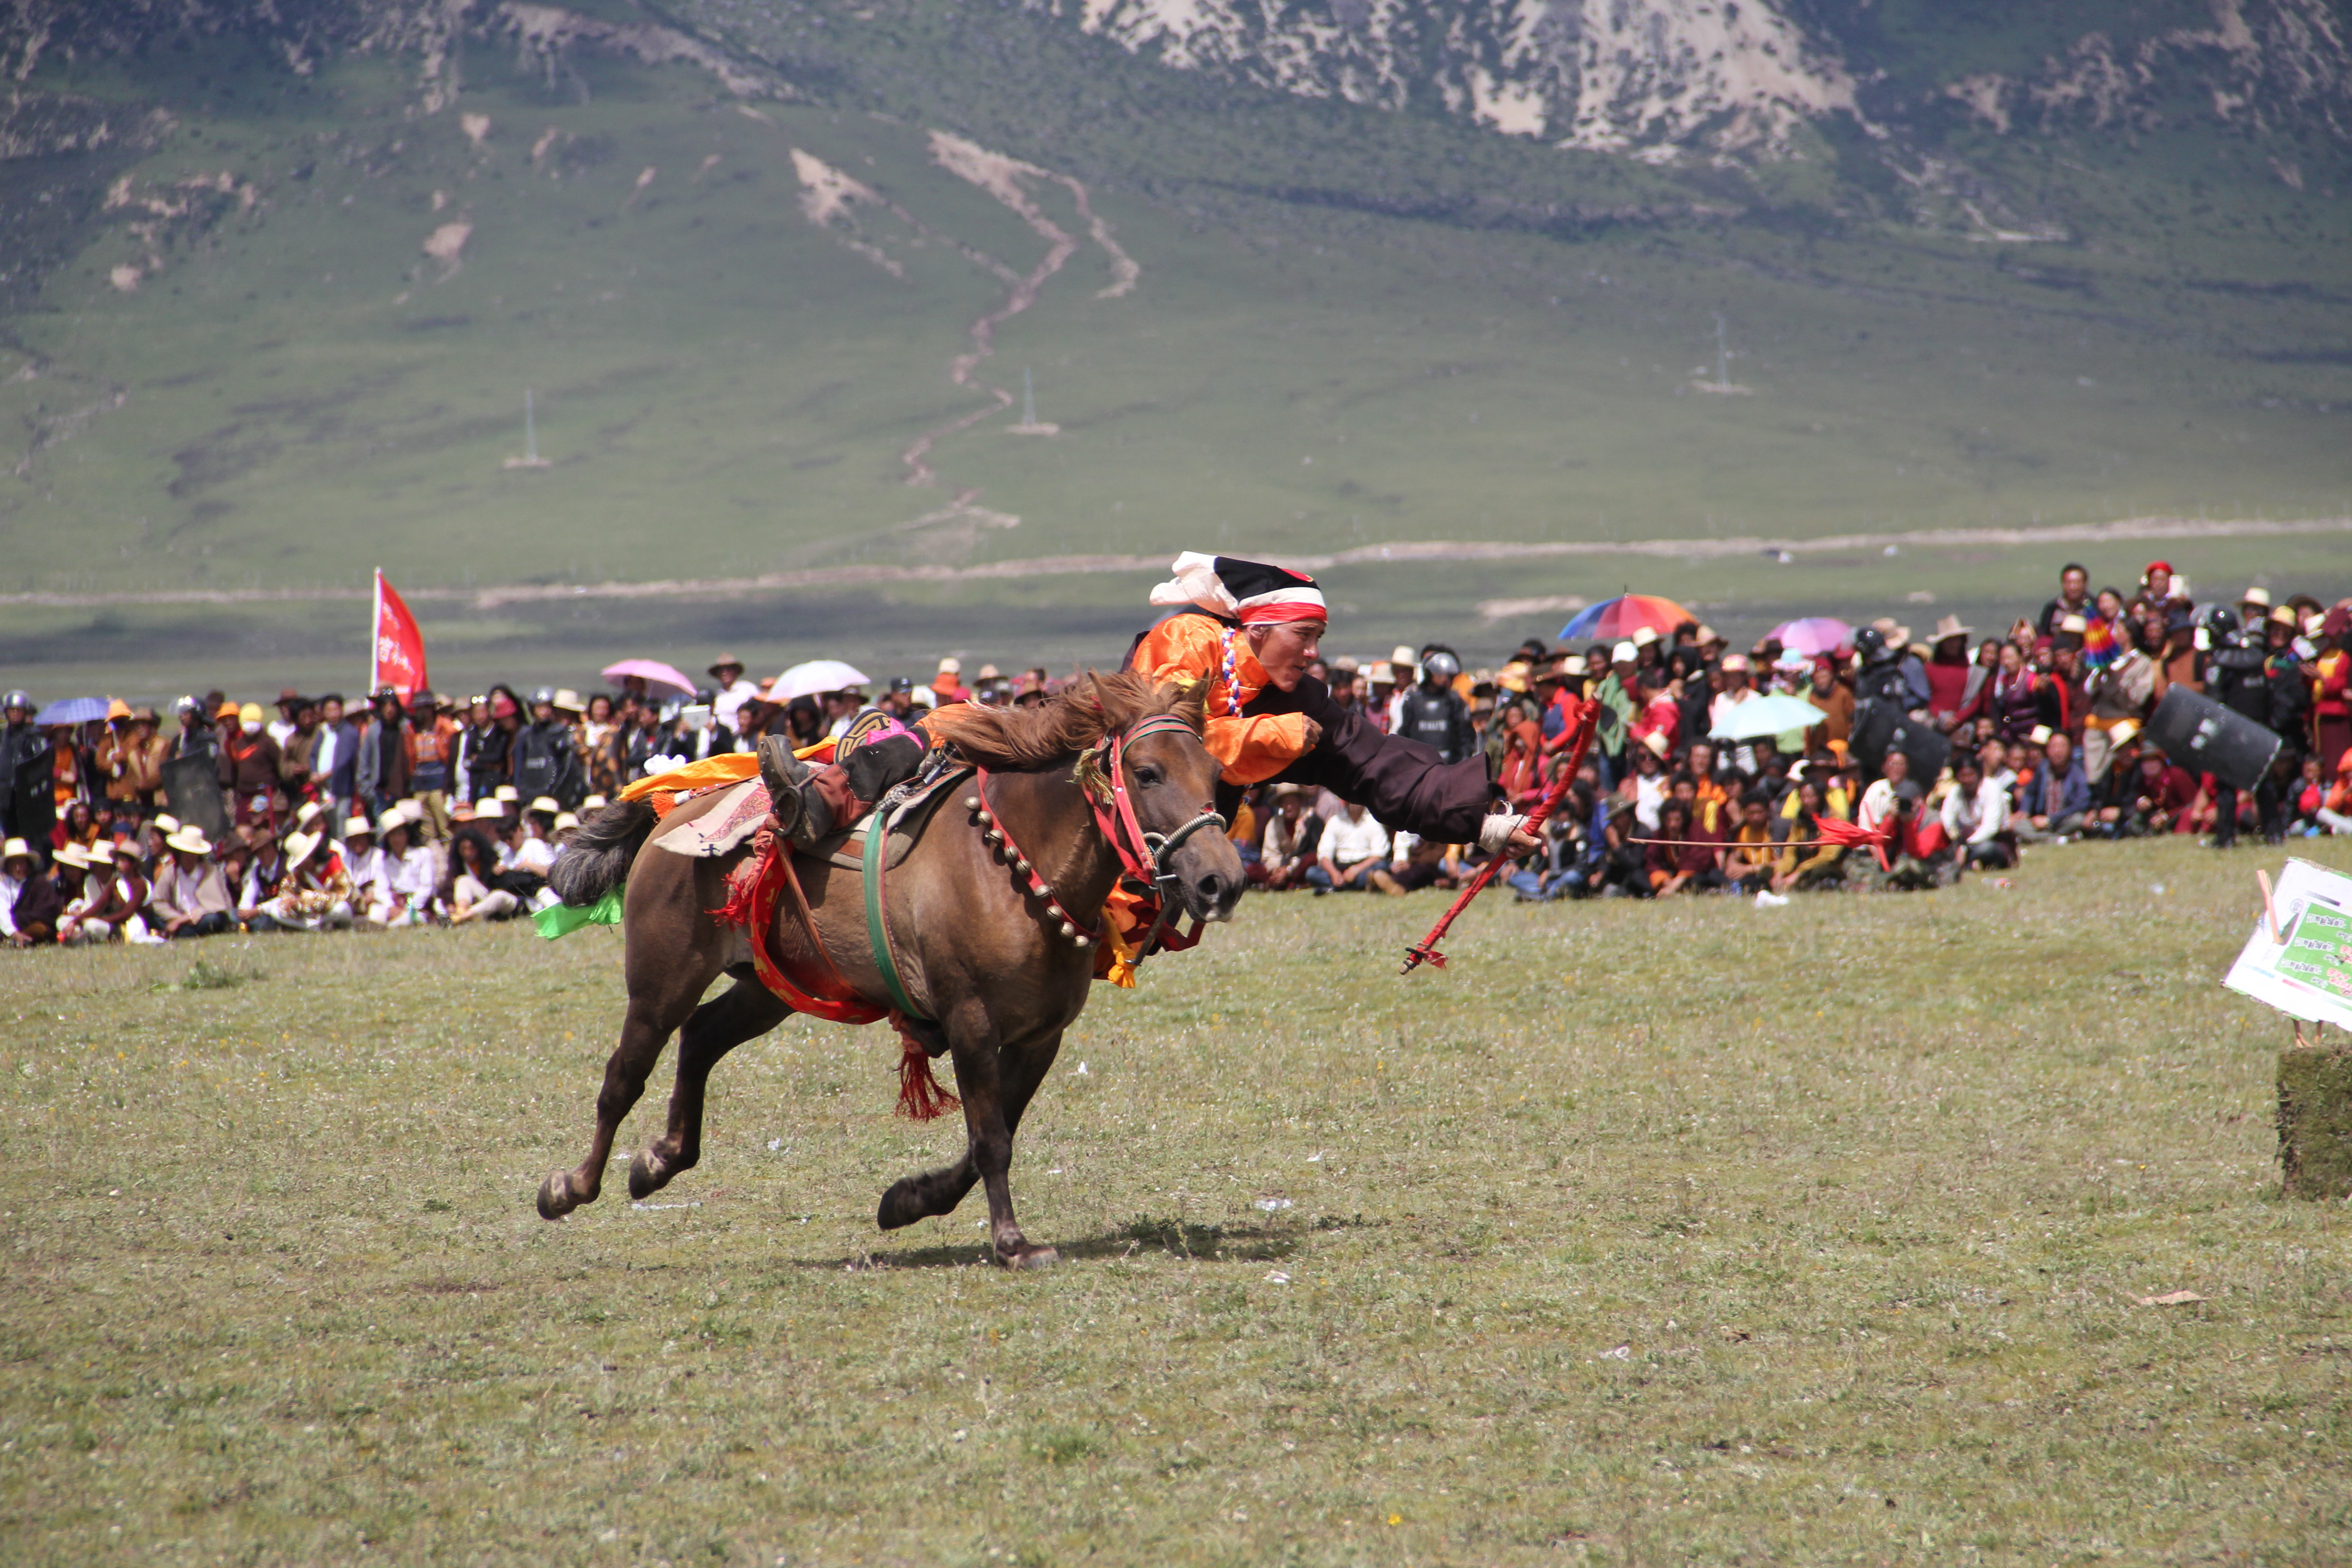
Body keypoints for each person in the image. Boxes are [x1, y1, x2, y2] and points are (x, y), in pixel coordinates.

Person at [149, 824, 234, 938]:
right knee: (154, 916)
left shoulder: (211, 872)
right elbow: (159, 902)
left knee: (213, 920)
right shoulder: (170, 872)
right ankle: (183, 932)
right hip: (178, 916)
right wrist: (178, 918)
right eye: (186, 854)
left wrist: (189, 918)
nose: (189, 858)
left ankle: (182, 933)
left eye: (193, 855)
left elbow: (218, 905)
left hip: (202, 917)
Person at [1939, 754, 2013, 869]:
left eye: (1971, 775)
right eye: (1963, 776)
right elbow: (1946, 819)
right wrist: (1953, 839)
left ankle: (1966, 864)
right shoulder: (1955, 792)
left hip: (1994, 841)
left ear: (1979, 775)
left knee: (1986, 849)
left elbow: (1990, 828)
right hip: (1964, 843)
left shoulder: (1991, 788)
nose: (1967, 780)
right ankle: (1970, 864)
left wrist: (1966, 847)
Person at [2017, 730, 2090, 841]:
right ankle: (2061, 839)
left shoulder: (2078, 771)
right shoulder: (2043, 768)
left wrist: (2051, 820)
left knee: (2079, 819)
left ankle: (2043, 839)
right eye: (2054, 746)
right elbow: (2030, 792)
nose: (2058, 751)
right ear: (2047, 750)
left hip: (2064, 820)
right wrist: (2025, 810)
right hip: (2042, 822)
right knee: (2018, 826)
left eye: (2062, 746)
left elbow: (2081, 803)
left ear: (2070, 749)